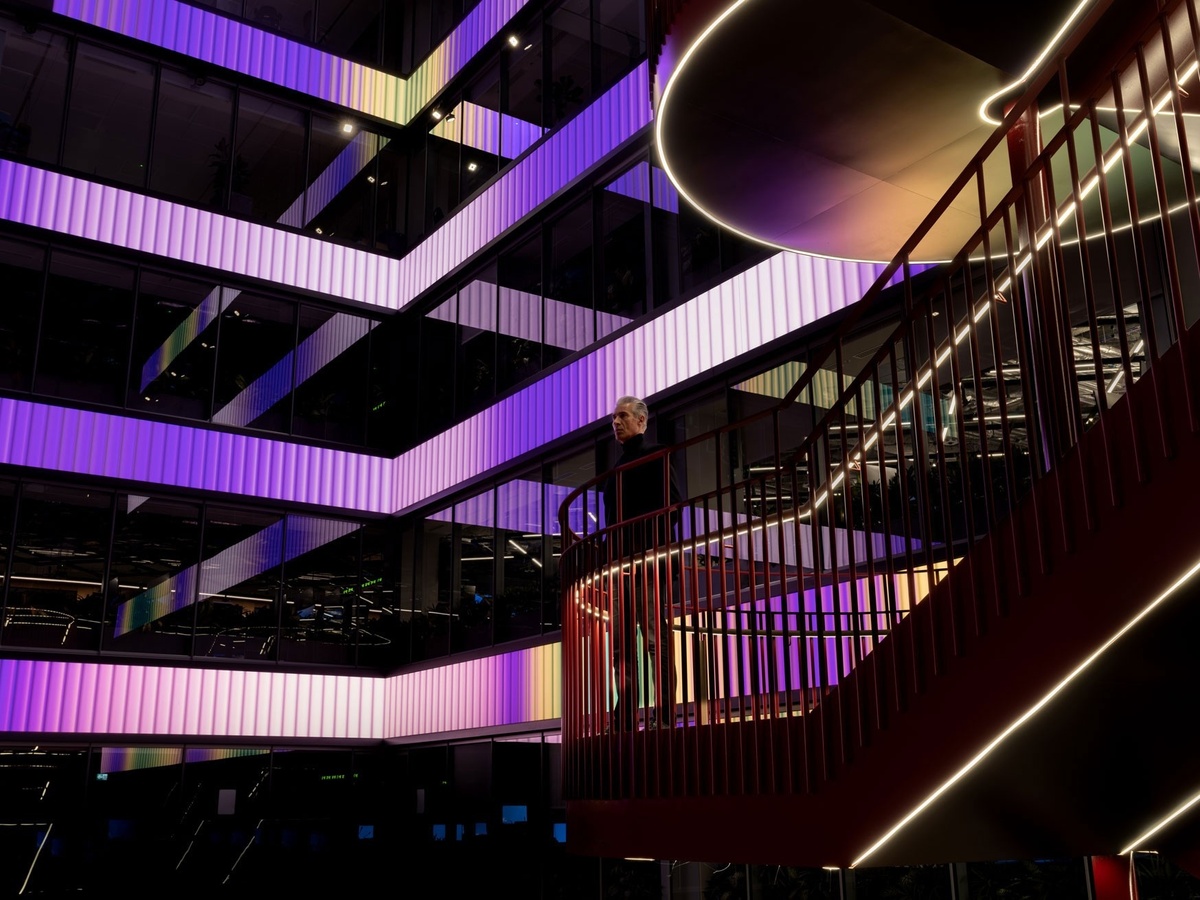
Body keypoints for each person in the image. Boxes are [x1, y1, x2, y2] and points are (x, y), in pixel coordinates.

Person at [601, 395, 682, 732]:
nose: (616, 423)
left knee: (652, 639)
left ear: (641, 421)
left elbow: (673, 504)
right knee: (623, 644)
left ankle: (662, 717)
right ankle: (625, 718)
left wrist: (647, 545)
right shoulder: (619, 467)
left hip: (645, 561)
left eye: (622, 416)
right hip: (623, 564)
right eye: (614, 419)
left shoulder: (654, 455)